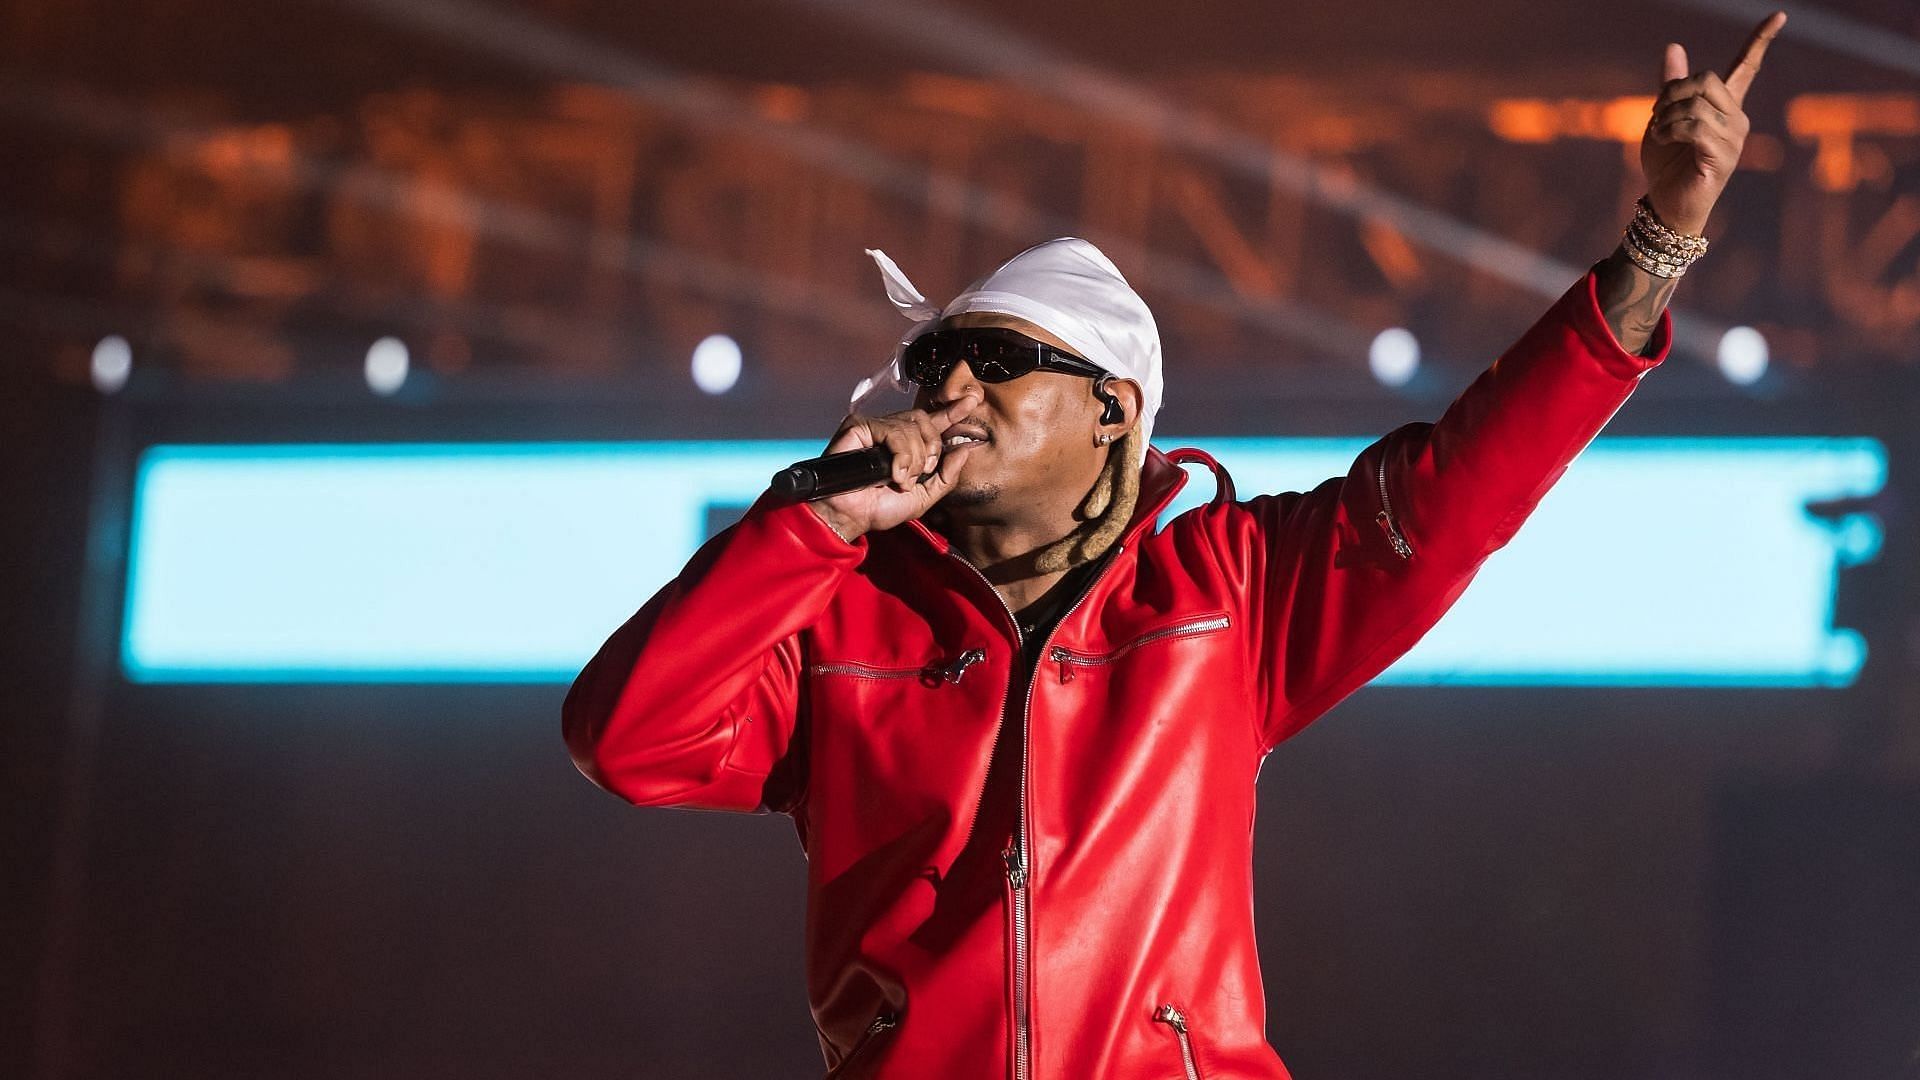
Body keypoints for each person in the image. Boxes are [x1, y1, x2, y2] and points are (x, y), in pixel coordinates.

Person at [562, 14, 1785, 1079]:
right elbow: (624, 738)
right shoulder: (838, 624)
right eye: (932, 363)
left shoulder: (1229, 592)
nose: (949, 387)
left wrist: (1660, 242)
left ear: (1115, 411)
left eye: (999, 358)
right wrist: (817, 518)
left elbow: (1463, 487)